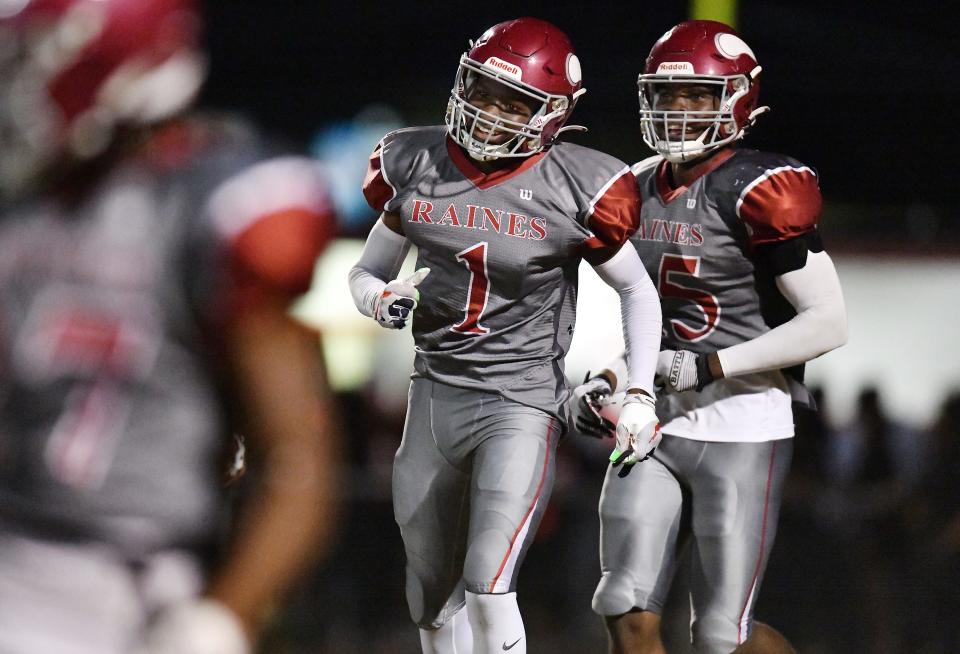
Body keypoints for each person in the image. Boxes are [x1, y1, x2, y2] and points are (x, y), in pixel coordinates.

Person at [0, 1, 339, 653]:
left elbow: (298, 455)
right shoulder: (29, 210)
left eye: (33, 60)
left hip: (125, 586)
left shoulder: (211, 204)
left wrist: (222, 615)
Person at [349, 17, 662, 654]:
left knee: (489, 582)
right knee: (430, 596)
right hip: (433, 392)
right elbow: (365, 270)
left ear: (552, 115)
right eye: (484, 91)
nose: (491, 113)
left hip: (520, 401)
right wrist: (379, 299)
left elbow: (637, 288)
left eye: (513, 102)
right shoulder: (415, 160)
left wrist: (640, 391)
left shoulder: (577, 183)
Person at [570, 20, 848, 654]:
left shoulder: (760, 188)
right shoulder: (634, 187)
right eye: (667, 96)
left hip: (745, 422)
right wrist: (612, 378)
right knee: (622, 603)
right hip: (657, 421)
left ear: (737, 99)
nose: (678, 111)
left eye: (697, 96)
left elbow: (829, 322)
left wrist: (709, 367)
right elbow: (656, 318)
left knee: (723, 634)